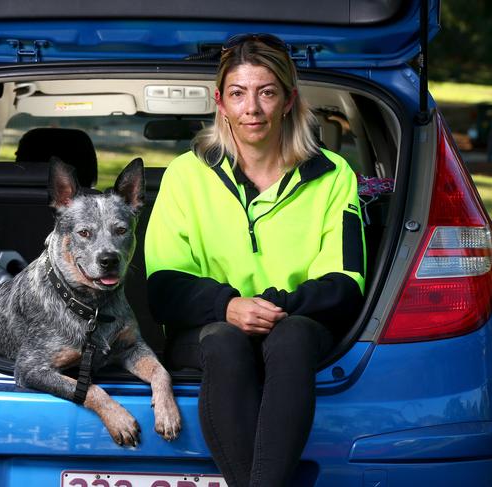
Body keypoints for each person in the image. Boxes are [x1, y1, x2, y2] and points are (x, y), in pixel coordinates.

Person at [144, 33, 366, 487]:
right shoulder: (186, 175)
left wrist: (272, 307)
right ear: (220, 103)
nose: (253, 109)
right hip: (208, 332)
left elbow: (345, 283)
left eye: (266, 92)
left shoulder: (332, 175)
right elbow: (164, 287)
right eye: (238, 94)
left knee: (291, 339)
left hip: (298, 322)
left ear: (288, 100)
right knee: (226, 342)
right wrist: (227, 306)